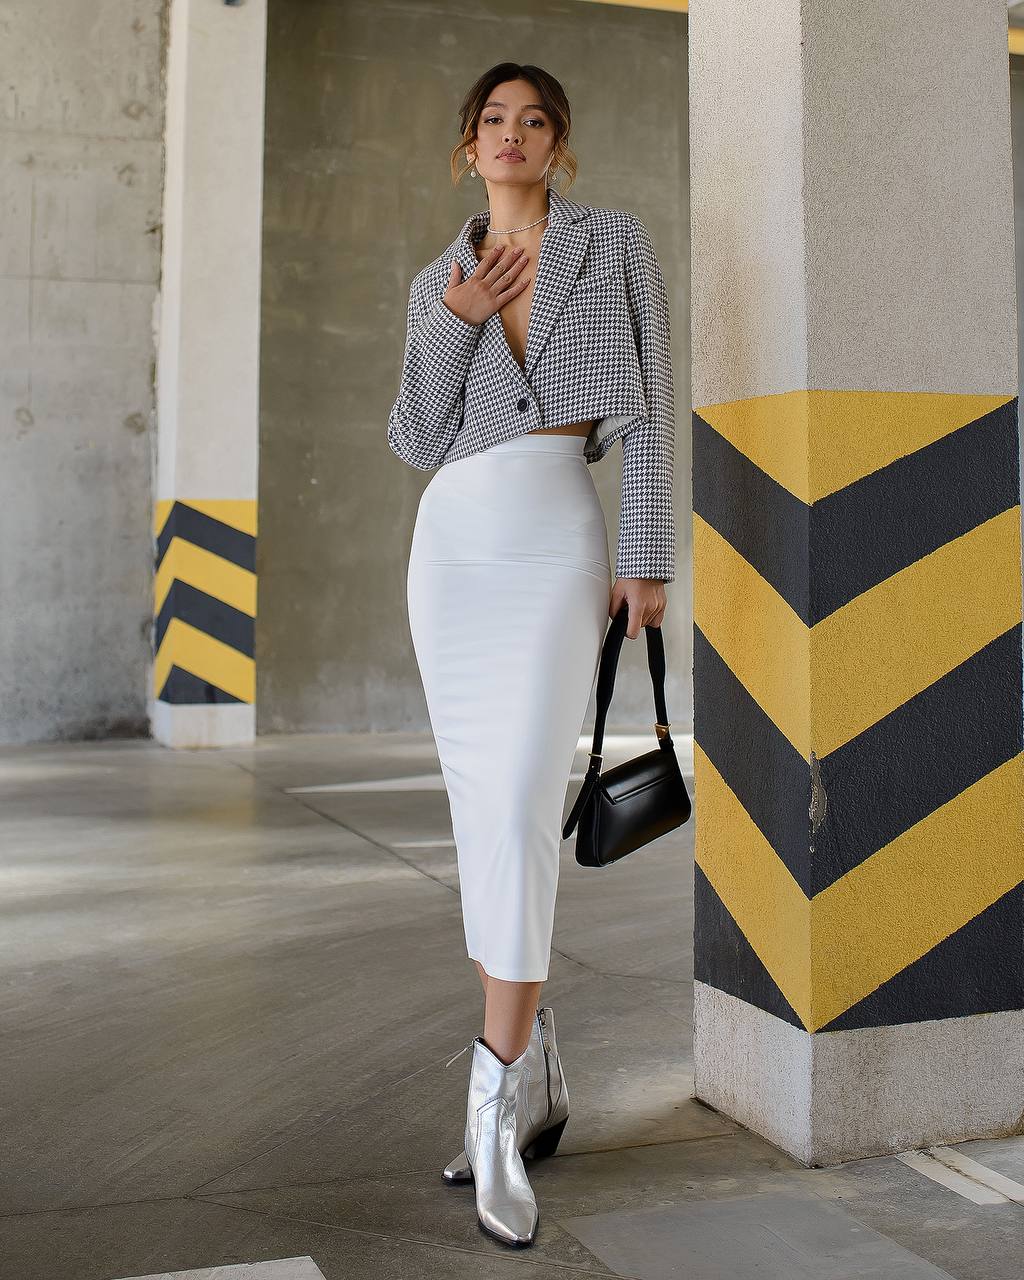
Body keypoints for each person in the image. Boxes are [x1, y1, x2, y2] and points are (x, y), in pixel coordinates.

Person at [387, 61, 675, 1248]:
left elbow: (649, 406)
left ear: (560, 145)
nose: (512, 136)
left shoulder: (611, 245)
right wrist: (451, 324)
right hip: (451, 545)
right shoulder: (435, 282)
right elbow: (414, 437)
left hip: (557, 530)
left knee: (515, 804)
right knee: (480, 815)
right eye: (492, 121)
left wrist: (646, 555)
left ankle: (495, 1111)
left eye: (534, 121)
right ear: (467, 148)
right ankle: (534, 1065)